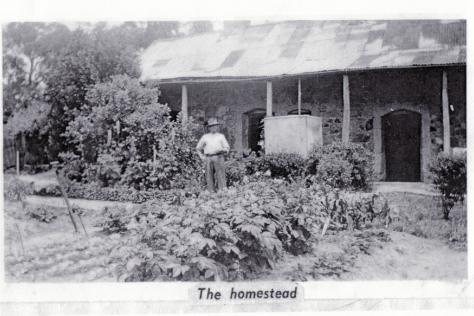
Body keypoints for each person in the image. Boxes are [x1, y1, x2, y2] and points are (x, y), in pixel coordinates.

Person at [196, 117, 230, 192]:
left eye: (215, 126)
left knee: (220, 174)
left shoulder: (221, 136)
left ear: (217, 127)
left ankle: (222, 190)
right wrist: (201, 156)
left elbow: (227, 148)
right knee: (209, 174)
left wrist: (223, 150)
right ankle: (211, 191)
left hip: (219, 156)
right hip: (208, 157)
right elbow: (198, 148)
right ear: (209, 128)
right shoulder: (205, 137)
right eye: (211, 126)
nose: (213, 128)